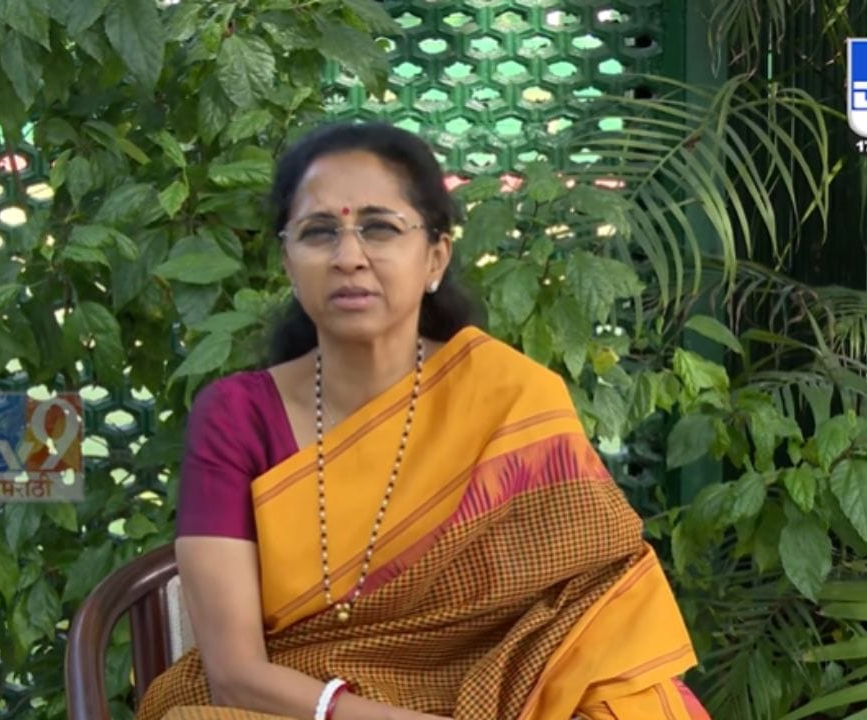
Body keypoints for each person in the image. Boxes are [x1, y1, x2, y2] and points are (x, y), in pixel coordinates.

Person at [136, 122, 709, 720]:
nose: (349, 258)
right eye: (319, 232)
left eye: (380, 228)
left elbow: (592, 603)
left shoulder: (510, 397)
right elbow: (235, 677)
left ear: (436, 256)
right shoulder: (237, 416)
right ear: (287, 261)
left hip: (506, 699)